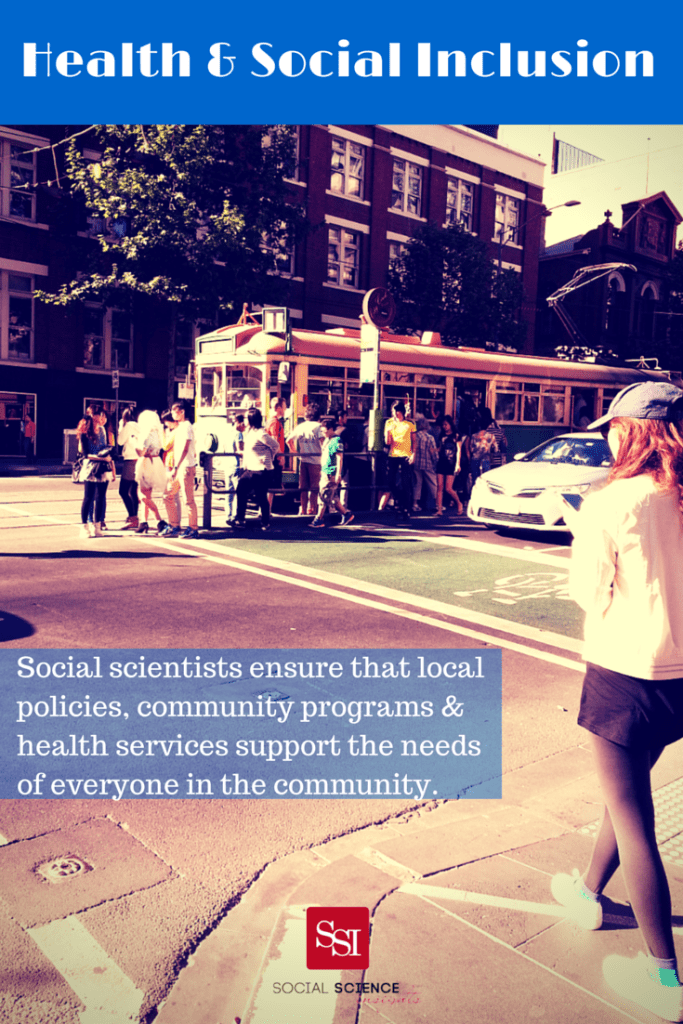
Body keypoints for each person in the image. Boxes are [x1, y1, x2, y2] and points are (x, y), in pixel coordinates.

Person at [552, 381, 683, 1022]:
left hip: (624, 673)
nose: (605, 434)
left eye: (612, 426)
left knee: (635, 821)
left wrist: (581, 528)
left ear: (631, 432)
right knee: (626, 790)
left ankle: (665, 978)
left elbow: (589, 594)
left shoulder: (610, 502)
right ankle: (587, 893)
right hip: (680, 680)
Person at [230, 407, 279, 531]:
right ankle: (241, 519)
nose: (244, 420)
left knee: (260, 495)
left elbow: (275, 445)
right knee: (242, 490)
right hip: (251, 469)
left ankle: (264, 521)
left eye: (246, 418)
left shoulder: (261, 433)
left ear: (251, 419)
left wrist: (268, 458)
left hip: (262, 470)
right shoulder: (249, 433)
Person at [160, 401, 198, 539]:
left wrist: (176, 467)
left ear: (182, 412)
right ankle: (174, 526)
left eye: (174, 411)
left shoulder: (187, 426)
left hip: (186, 467)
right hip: (181, 467)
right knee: (168, 495)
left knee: (188, 500)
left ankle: (193, 529)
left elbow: (186, 448)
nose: (172, 413)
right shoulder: (180, 427)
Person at [310, 417, 354, 528]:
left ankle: (319, 519)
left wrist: (338, 473)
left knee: (324, 496)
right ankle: (346, 514)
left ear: (330, 429)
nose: (323, 433)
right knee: (332, 497)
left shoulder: (336, 440)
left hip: (331, 473)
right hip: (326, 471)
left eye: (324, 431)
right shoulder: (327, 439)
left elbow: (340, 457)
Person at [76, 414, 115, 538]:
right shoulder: (84, 434)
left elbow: (105, 448)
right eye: (94, 420)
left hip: (103, 466)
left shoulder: (102, 431)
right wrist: (101, 457)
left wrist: (108, 459)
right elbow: (86, 455)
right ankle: (84, 527)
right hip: (90, 467)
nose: (97, 422)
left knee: (100, 497)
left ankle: (97, 526)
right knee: (88, 497)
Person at [286, 402, 325, 516]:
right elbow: (323, 443)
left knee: (303, 488)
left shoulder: (300, 426)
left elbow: (289, 440)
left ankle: (303, 509)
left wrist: (295, 453)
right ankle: (312, 510)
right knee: (314, 488)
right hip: (316, 461)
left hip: (303, 460)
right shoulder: (318, 427)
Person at [378, 401, 415, 519]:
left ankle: (406, 508)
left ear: (400, 412)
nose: (393, 413)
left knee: (405, 482)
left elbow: (414, 440)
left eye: (394, 411)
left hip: (406, 455)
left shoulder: (409, 424)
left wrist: (413, 454)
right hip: (393, 454)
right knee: (390, 481)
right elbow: (387, 442)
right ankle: (398, 501)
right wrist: (389, 433)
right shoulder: (389, 422)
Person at [134, 410, 167, 534]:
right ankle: (144, 522)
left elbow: (141, 451)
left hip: (146, 462)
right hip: (156, 462)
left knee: (141, 495)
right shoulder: (158, 432)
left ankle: (159, 520)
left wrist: (135, 445)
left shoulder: (146, 433)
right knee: (147, 494)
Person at [435, 415, 463, 516]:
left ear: (450, 424)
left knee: (448, 488)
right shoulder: (441, 435)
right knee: (439, 486)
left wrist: (457, 464)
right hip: (441, 461)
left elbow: (459, 450)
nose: (444, 427)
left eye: (446, 424)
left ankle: (459, 503)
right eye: (443, 425)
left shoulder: (456, 435)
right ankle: (439, 510)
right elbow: (440, 448)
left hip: (451, 462)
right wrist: (434, 450)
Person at [117, 407, 140, 530]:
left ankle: (132, 517)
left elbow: (120, 441)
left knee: (123, 491)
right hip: (139, 460)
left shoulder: (128, 426)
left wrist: (121, 426)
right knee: (133, 492)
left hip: (130, 461)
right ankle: (134, 518)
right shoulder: (139, 425)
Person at [412, 417, 438, 513]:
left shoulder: (415, 436)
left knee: (417, 484)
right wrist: (436, 462)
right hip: (428, 464)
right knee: (433, 484)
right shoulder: (430, 438)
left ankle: (415, 504)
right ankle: (437, 503)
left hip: (416, 464)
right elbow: (434, 453)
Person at [265, 397, 287, 513]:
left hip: (270, 458)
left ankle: (265, 511)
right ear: (279, 408)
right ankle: (266, 512)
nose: (285, 409)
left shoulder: (269, 421)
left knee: (270, 487)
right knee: (271, 488)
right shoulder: (275, 423)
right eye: (284, 407)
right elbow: (274, 442)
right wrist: (280, 457)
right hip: (274, 459)